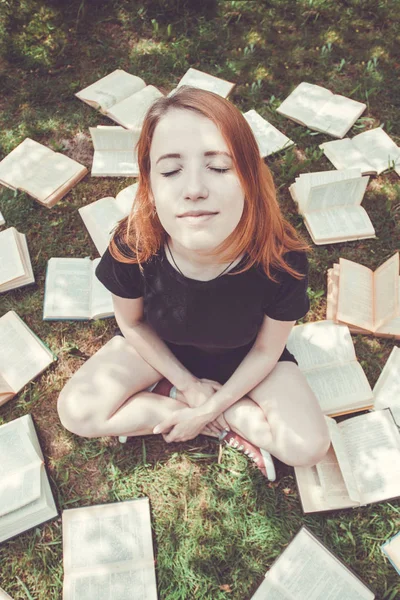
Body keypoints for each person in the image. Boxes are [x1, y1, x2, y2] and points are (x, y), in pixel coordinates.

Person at [57, 86, 330, 480]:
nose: (194, 189)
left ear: (249, 177)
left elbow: (267, 350)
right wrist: (186, 385)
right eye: (170, 171)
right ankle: (182, 404)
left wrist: (210, 407)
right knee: (76, 410)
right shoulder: (133, 245)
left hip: (248, 358)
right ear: (150, 183)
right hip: (160, 349)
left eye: (218, 167)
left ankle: (217, 413)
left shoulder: (281, 257)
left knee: (308, 445)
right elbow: (132, 324)